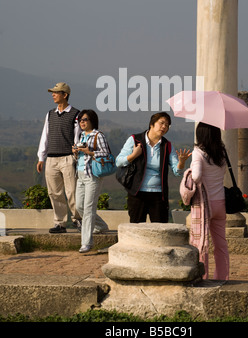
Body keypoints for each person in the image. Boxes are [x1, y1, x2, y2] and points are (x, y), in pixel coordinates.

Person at [116, 112, 191, 223]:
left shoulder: (167, 145)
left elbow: (177, 171)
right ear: (152, 124)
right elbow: (119, 162)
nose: (164, 127)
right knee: (137, 229)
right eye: (161, 123)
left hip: (158, 194)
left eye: (167, 125)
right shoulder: (135, 140)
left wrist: (181, 162)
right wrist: (133, 155)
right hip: (137, 193)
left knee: (160, 230)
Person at [37, 82, 81, 233]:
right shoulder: (50, 114)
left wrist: (77, 156)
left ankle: (78, 220)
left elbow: (77, 138)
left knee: (72, 191)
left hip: (68, 158)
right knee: (54, 192)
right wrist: (41, 157)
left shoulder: (76, 114)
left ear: (65, 95)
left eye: (56, 92)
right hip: (52, 159)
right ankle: (60, 223)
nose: (53, 95)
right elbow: (45, 136)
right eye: (53, 92)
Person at [190, 122, 229, 280]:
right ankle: (222, 277)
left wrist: (190, 170)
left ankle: (202, 276)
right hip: (220, 202)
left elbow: (196, 176)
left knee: (201, 243)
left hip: (205, 204)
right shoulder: (221, 153)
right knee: (221, 244)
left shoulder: (198, 152)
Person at [73, 109, 110, 253]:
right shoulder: (81, 136)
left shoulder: (98, 135)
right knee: (80, 206)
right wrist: (76, 153)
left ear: (92, 121)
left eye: (84, 119)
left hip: (93, 175)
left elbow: (106, 153)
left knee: (88, 208)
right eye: (80, 120)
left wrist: (90, 152)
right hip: (80, 175)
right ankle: (101, 226)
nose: (82, 122)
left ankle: (86, 243)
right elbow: (80, 158)